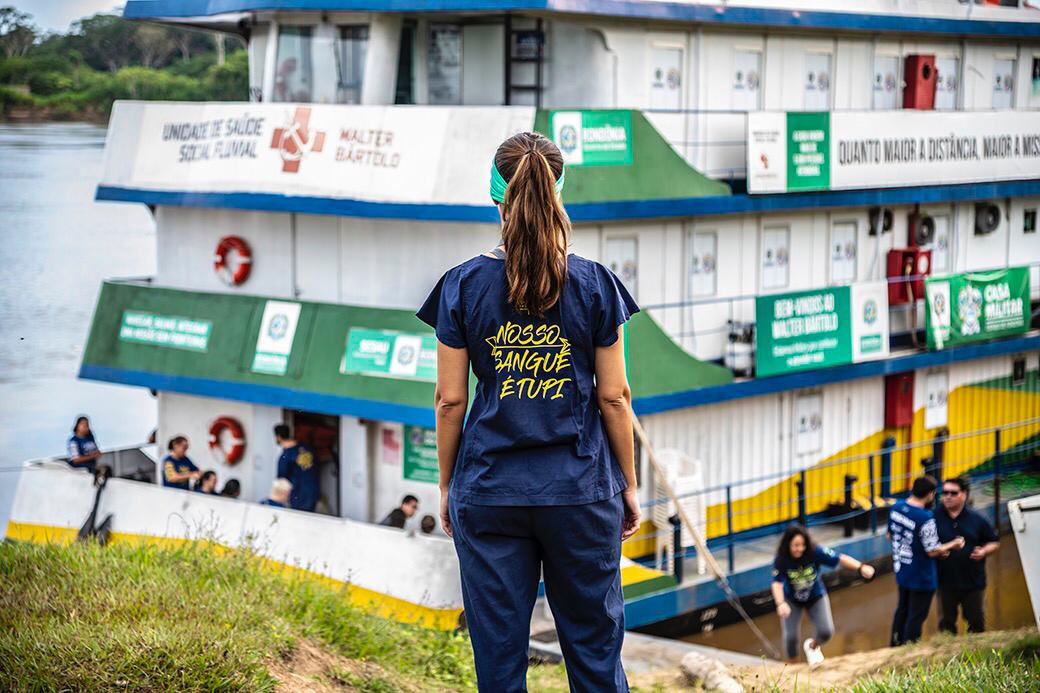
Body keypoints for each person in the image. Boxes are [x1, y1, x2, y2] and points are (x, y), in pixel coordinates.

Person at [416, 131, 640, 692]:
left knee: (498, 661)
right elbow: (615, 397)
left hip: (490, 489)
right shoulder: (594, 283)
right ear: (558, 194)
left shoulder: (462, 284)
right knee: (594, 655)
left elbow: (450, 401)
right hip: (582, 492)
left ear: (495, 196)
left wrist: (447, 486)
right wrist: (629, 485)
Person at [771, 525, 875, 664]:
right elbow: (776, 582)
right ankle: (794, 667)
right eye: (795, 545)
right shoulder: (782, 558)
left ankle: (812, 647)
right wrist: (780, 603)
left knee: (826, 632)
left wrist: (861, 567)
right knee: (791, 638)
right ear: (788, 544)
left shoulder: (815, 551)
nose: (799, 549)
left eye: (802, 545)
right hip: (792, 600)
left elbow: (839, 558)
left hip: (815, 596)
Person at [888, 475, 965, 646]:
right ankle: (909, 648)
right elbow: (932, 551)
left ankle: (894, 645)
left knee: (902, 610)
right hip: (922, 576)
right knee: (916, 615)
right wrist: (953, 544)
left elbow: (890, 535)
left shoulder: (896, 508)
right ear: (930, 494)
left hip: (902, 569)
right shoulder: (925, 517)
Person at [934, 476, 1000, 634]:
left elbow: (994, 542)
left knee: (976, 624)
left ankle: (976, 656)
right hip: (944, 583)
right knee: (946, 626)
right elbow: (925, 545)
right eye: (945, 493)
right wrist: (938, 552)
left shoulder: (977, 519)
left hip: (973, 583)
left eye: (953, 493)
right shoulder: (933, 518)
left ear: (964, 494)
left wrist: (983, 551)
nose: (947, 496)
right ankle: (948, 656)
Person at [274, 424, 319, 512]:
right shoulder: (307, 447)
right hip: (313, 492)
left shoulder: (285, 457)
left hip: (298, 496)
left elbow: (281, 482)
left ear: (278, 437)